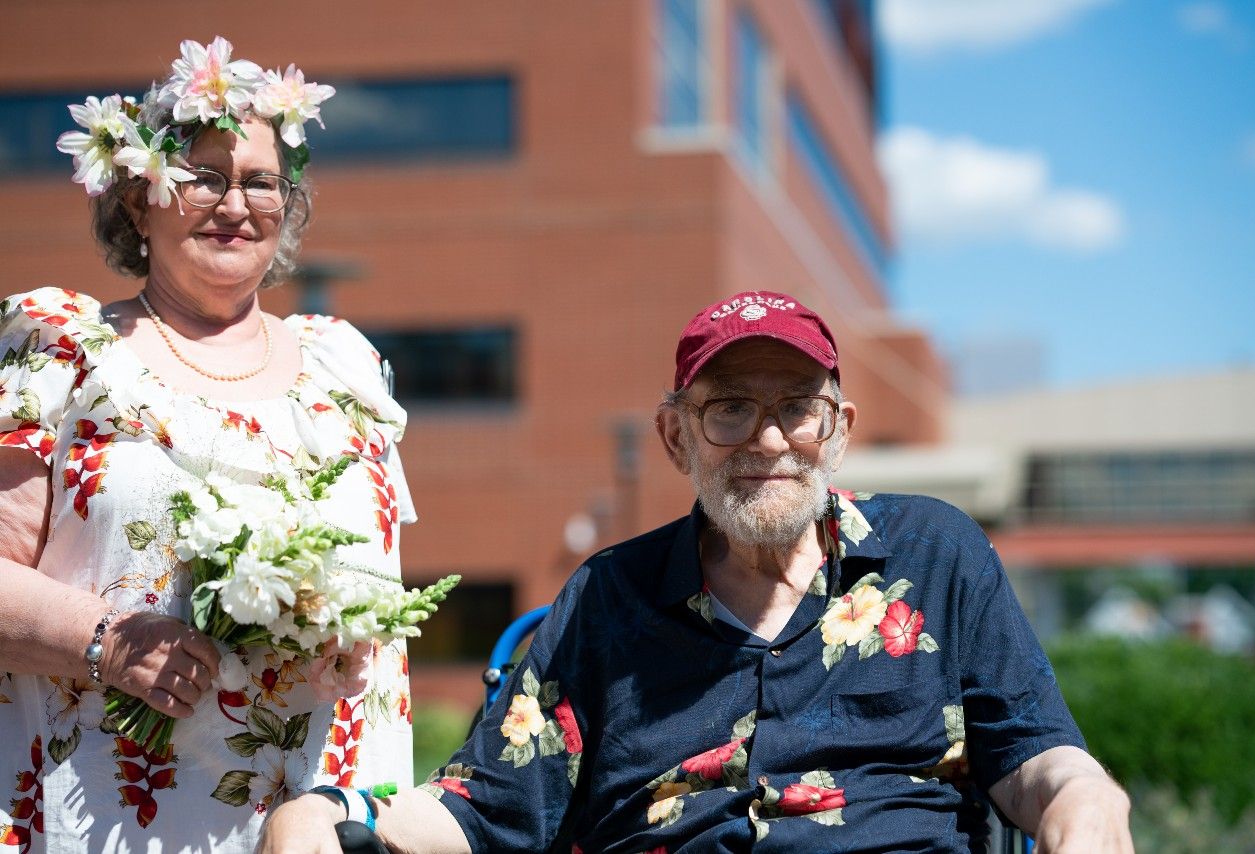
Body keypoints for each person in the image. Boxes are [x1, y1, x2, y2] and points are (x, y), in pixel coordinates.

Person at [261, 292, 1132, 853]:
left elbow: (1030, 751)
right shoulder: (608, 598)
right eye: (729, 410)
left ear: (837, 429)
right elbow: (485, 806)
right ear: (676, 436)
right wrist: (337, 820)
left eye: (796, 408)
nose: (767, 439)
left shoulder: (934, 552)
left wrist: (1084, 794)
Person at [0, 38, 418, 852]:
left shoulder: (348, 364)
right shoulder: (62, 350)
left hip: (323, 812)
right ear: (135, 200)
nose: (236, 204)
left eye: (262, 182)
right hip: (113, 810)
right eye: (204, 177)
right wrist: (108, 640)